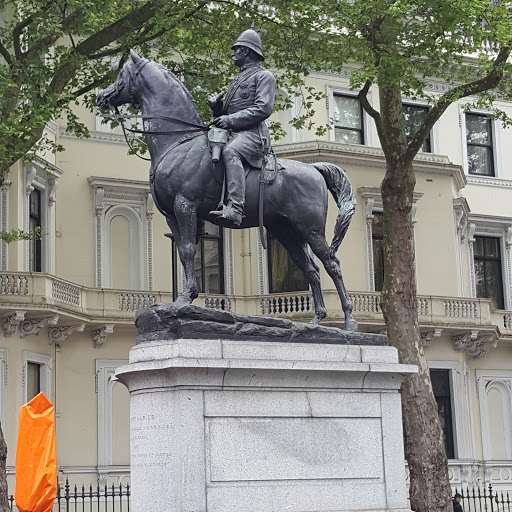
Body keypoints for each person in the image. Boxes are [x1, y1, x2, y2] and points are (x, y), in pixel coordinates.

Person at [207, 27, 276, 228]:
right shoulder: (236, 80)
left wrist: (229, 120)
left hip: (254, 135)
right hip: (233, 132)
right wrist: (217, 110)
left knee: (230, 152)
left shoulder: (264, 77)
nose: (233, 53)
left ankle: (236, 208)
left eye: (236, 49)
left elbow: (263, 108)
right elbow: (227, 115)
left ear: (246, 51)